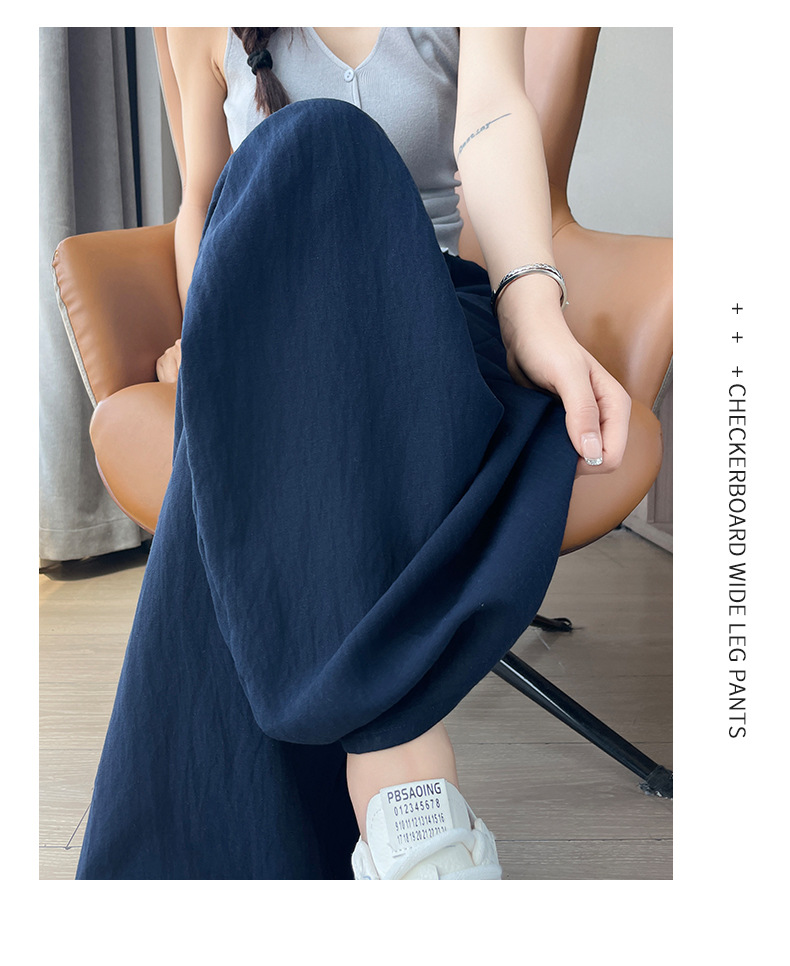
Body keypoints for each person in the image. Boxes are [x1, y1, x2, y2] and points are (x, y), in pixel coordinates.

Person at [76, 26, 631, 881]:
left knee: (321, 138)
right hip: (269, 332)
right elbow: (203, 203)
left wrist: (533, 309)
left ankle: (375, 781)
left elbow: (492, 115)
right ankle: (406, 786)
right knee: (299, 154)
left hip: (423, 320)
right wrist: (211, 331)